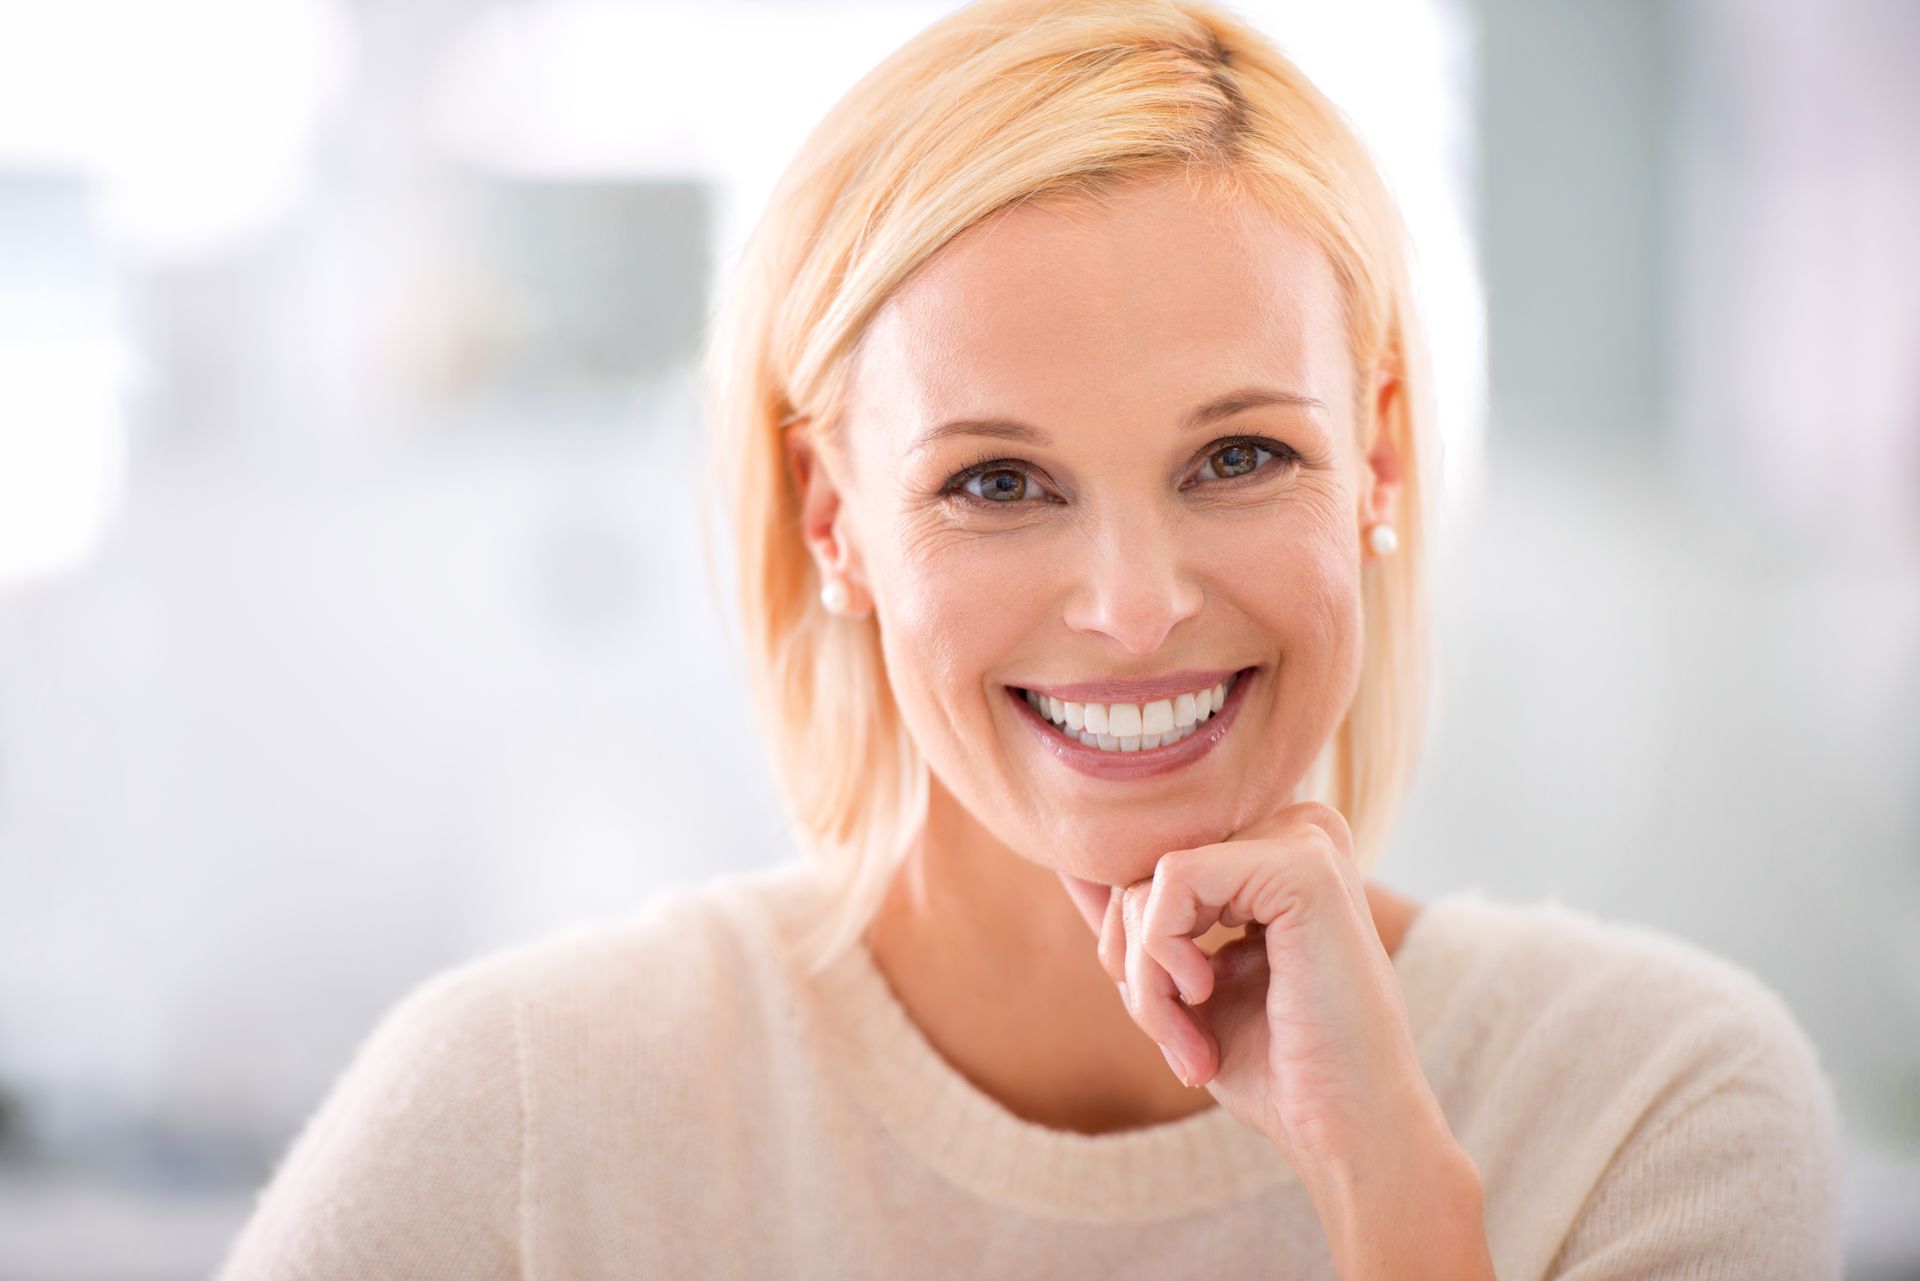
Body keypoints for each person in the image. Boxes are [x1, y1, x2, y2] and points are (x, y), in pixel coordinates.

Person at [213, 1, 1845, 1276]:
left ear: (1383, 463)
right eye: (998, 480)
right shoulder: (519, 1115)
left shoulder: (1652, 1109)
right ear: (833, 514)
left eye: (1239, 455)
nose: (1132, 605)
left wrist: (1391, 1192)